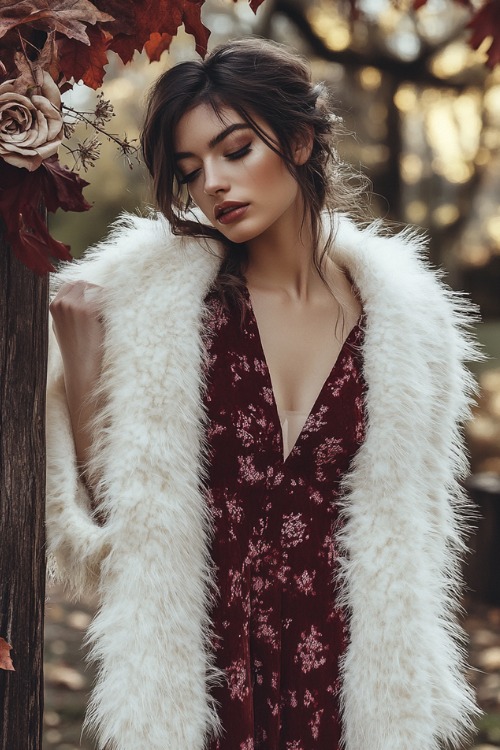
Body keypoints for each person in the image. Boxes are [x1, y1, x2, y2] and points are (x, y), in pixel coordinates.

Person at [47, 37, 480, 750]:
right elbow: (112, 532)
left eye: (235, 150)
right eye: (190, 170)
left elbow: (418, 538)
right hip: (204, 680)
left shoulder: (408, 329)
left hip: (347, 680)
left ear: (301, 141)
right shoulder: (170, 313)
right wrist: (86, 359)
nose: (212, 183)